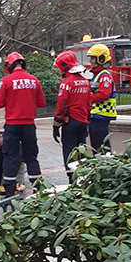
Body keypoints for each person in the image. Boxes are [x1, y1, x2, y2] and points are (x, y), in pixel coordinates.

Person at [0, 52, 45, 197]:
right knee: (31, 156)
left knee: (10, 156)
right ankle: (38, 190)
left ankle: (10, 191)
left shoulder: (6, 81)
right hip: (29, 125)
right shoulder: (34, 80)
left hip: (12, 125)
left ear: (9, 65)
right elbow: (41, 103)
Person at [52, 51, 91, 184]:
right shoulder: (85, 81)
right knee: (82, 151)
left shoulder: (66, 83)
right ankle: (83, 178)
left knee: (69, 152)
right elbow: (88, 103)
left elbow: (61, 105)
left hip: (70, 123)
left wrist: (56, 124)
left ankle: (72, 180)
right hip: (83, 122)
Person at [87, 44, 116, 155]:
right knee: (96, 146)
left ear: (101, 59)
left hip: (101, 116)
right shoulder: (96, 75)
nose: (90, 61)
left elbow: (104, 94)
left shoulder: (104, 76)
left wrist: (87, 99)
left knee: (101, 146)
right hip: (96, 116)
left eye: (93, 58)